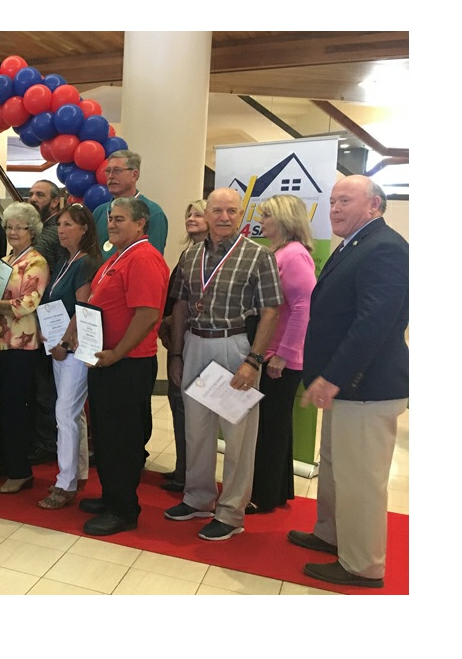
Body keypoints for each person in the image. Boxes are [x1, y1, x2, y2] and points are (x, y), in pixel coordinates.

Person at [288, 176, 408, 588]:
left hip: (366, 387)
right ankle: (331, 534)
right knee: (336, 467)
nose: (335, 208)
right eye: (333, 201)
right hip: (346, 387)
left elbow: (374, 323)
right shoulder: (355, 244)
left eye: (345, 201)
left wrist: (335, 377)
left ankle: (362, 565)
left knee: (360, 481)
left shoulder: (386, 248)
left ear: (374, 205)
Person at [164, 187, 282, 541]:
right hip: (195, 343)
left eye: (232, 211)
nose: (224, 217)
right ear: (208, 214)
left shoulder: (258, 255)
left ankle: (231, 512)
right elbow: (180, 305)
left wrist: (253, 361)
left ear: (241, 215)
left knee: (237, 435)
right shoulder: (191, 256)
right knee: (196, 429)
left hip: (234, 347)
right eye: (217, 210)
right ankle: (198, 498)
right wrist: (176, 353)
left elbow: (271, 311)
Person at [72, 198, 169, 535]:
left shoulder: (143, 258)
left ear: (141, 224)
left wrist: (117, 352)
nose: (111, 224)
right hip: (105, 359)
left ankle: (124, 510)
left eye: (120, 219)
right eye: (111, 218)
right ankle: (112, 495)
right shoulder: (118, 256)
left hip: (127, 362)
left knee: (122, 438)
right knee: (106, 435)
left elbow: (148, 314)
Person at [247, 194, 316, 514]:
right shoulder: (277, 252)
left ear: (285, 219)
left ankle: (262, 495)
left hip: (280, 359)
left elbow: (303, 308)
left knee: (270, 429)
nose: (261, 220)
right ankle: (275, 490)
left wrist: (283, 355)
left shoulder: (294, 255)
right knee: (275, 426)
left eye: (267, 215)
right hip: (272, 352)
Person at [37, 204, 102, 509]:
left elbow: (82, 306)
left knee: (64, 413)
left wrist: (64, 340)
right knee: (74, 413)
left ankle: (65, 482)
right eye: (59, 224)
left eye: (68, 225)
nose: (61, 230)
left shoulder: (86, 262)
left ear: (84, 228)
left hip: (75, 347)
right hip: (59, 346)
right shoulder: (65, 260)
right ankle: (79, 472)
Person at [0, 202, 50, 494]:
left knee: (15, 409)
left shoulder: (37, 262)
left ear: (31, 231)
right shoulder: (4, 259)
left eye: (19, 228)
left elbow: (27, 304)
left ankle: (20, 471)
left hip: (19, 344)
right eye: (9, 227)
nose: (12, 232)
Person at [157, 199, 208, 492]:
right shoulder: (188, 255)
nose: (191, 218)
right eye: (189, 214)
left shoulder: (211, 258)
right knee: (177, 404)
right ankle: (182, 468)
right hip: (177, 338)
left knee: (190, 410)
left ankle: (190, 473)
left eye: (198, 214)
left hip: (196, 341)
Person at [26, 178, 66, 465]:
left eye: (39, 195)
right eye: (31, 194)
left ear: (54, 201)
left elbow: (41, 282)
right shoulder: (44, 230)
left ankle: (46, 443)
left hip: (48, 317)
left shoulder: (47, 235)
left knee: (45, 387)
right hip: (49, 317)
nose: (32, 198)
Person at [93, 150, 168, 255]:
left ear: (134, 175)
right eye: (108, 171)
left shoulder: (153, 212)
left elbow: (151, 257)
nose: (110, 176)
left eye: (117, 171)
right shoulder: (99, 211)